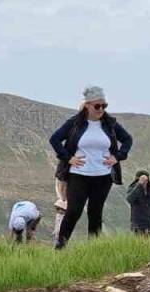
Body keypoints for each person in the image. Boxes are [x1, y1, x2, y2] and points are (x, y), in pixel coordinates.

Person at [48, 86, 134, 249]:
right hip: (78, 175)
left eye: (104, 106)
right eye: (97, 106)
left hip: (103, 177)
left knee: (96, 213)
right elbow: (55, 139)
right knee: (73, 211)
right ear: (87, 105)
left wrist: (117, 157)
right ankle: (60, 248)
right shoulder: (74, 123)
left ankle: (93, 249)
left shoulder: (110, 123)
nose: (101, 109)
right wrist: (68, 158)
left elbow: (128, 140)